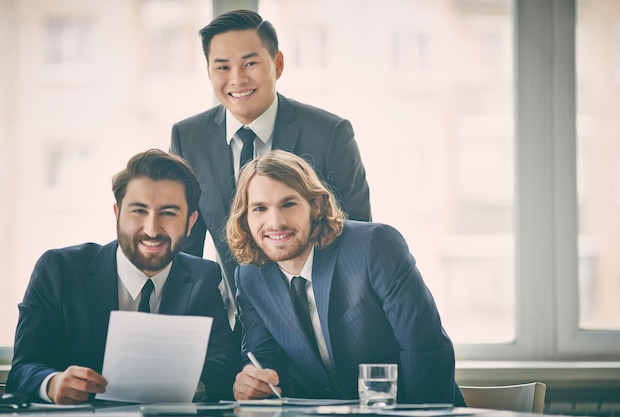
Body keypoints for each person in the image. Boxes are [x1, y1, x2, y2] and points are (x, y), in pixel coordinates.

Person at [170, 9, 371, 327]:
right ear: (209, 72)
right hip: (237, 326)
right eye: (222, 66)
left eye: (250, 63)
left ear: (277, 64)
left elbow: (357, 236)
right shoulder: (187, 138)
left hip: (322, 320)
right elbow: (184, 250)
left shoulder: (330, 133)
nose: (237, 79)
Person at [226, 150, 465, 405]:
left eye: (288, 204)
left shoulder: (374, 246)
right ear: (246, 218)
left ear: (316, 205)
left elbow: (425, 348)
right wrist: (254, 382)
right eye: (260, 208)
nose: (275, 222)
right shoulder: (250, 276)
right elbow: (264, 358)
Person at [6, 149, 239, 404]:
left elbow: (223, 364)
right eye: (139, 211)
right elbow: (23, 369)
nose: (151, 229)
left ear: (191, 222)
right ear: (117, 214)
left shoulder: (203, 276)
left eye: (169, 213)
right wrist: (52, 383)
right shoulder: (59, 269)